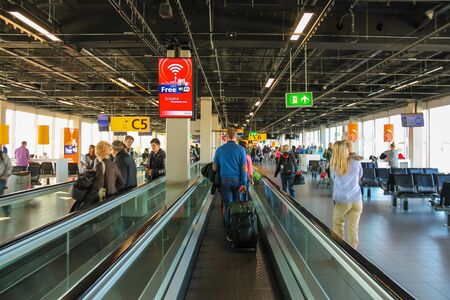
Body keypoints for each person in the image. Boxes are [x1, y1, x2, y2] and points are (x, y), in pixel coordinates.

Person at [213, 128, 247, 241]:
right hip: (237, 181)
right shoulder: (241, 150)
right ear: (236, 136)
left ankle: (229, 233)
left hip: (224, 181)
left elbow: (214, 167)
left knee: (227, 206)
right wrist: (244, 183)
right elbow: (244, 168)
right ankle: (238, 229)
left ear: (226, 136)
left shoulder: (219, 150)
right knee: (237, 205)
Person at [330, 141, 363, 249]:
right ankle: (353, 252)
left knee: (338, 224)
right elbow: (360, 176)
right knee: (353, 228)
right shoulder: (356, 162)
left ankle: (339, 250)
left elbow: (333, 179)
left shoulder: (334, 164)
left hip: (342, 200)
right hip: (357, 199)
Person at [0, 149, 13, 216]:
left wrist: (3, 177)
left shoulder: (4, 156)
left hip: (1, 180)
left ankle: (6, 208)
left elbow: (9, 168)